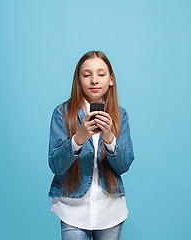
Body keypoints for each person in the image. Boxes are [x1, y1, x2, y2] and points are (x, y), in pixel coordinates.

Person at [48, 50, 135, 240]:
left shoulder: (121, 115)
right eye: (87, 75)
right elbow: (55, 165)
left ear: (111, 79)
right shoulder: (63, 113)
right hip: (72, 209)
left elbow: (124, 165)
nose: (94, 80)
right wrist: (78, 138)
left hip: (111, 210)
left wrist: (109, 137)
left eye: (101, 74)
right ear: (78, 80)